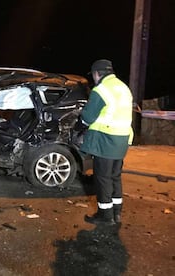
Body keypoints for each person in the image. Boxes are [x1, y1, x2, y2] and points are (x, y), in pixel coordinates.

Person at [80, 59, 133, 225]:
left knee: (102, 178)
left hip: (106, 140)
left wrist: (82, 114)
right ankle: (117, 213)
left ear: (97, 74)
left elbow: (88, 117)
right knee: (115, 177)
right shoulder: (123, 87)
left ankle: (105, 216)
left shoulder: (101, 89)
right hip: (122, 139)